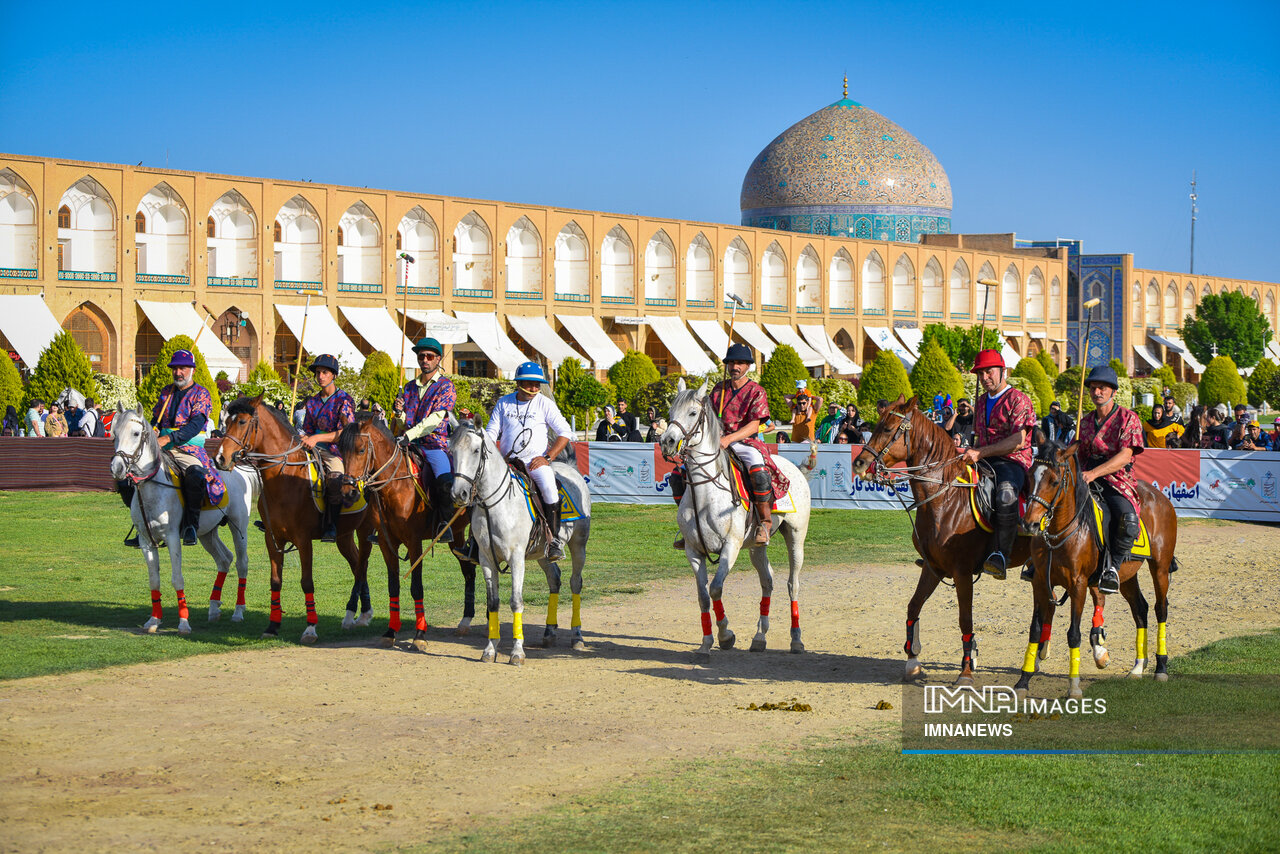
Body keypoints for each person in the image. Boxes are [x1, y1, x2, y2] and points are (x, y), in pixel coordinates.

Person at [669, 343, 787, 549]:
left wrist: (729, 439)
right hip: (717, 442)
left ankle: (764, 523)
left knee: (758, 471)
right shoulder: (718, 390)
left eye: (740, 363)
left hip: (745, 442)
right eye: (732, 362)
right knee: (678, 474)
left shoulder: (756, 391)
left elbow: (754, 425)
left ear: (748, 366)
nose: (735, 366)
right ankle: (688, 527)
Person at [961, 349, 1036, 582]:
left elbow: (1018, 441)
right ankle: (948, 550)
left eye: (989, 372)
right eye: (981, 373)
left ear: (1003, 371)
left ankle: (1001, 555)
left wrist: (981, 452)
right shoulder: (981, 401)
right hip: (982, 459)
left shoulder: (1019, 399)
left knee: (1005, 494)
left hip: (1013, 461)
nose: (985, 378)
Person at [485, 361, 573, 560]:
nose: (534, 388)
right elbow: (491, 432)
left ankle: (554, 541)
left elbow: (565, 431)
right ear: (518, 383)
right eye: (530, 383)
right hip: (507, 463)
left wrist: (547, 458)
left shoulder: (545, 403)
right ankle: (474, 542)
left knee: (550, 488)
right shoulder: (504, 402)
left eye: (537, 384)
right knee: (480, 488)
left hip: (535, 463)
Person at [137, 350, 222, 546]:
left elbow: (195, 425)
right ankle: (142, 524)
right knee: (136, 472)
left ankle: (190, 526)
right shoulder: (166, 392)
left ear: (192, 370)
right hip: (162, 447)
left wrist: (169, 438)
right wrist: (155, 430)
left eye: (182, 368)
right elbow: (155, 419)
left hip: (188, 448)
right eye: (175, 368)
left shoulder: (201, 394)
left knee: (194, 476)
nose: (178, 372)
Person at [1076, 365, 1146, 595]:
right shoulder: (1084, 422)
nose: (1097, 392)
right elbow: (1079, 453)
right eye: (1093, 388)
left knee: (1127, 518)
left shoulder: (1129, 418)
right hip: (1087, 476)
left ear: (1113, 391)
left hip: (1117, 480)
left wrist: (1094, 473)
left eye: (1102, 388)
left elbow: (1126, 456)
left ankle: (1113, 569)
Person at [400, 337, 458, 546]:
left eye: (429, 356)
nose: (425, 359)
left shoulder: (446, 386)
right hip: (409, 443)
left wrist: (409, 434)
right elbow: (403, 420)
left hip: (435, 444)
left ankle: (445, 523)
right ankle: (378, 523)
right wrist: (398, 413)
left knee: (444, 482)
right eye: (421, 356)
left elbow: (435, 419)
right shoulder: (408, 387)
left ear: (438, 359)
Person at [300, 354, 357, 543]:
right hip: (311, 447)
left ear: (333, 375)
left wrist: (317, 437)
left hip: (335, 450)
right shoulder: (312, 401)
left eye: (325, 372)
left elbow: (346, 431)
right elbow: (307, 428)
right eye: (318, 373)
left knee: (335, 479)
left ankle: (331, 524)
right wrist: (304, 436)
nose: (320, 376)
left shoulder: (344, 399)